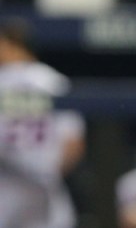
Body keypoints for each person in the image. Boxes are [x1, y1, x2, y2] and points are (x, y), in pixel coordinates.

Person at [0, 18, 86, 228]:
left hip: (6, 183)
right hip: (45, 183)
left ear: (11, 44)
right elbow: (74, 143)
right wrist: (52, 173)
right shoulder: (54, 81)